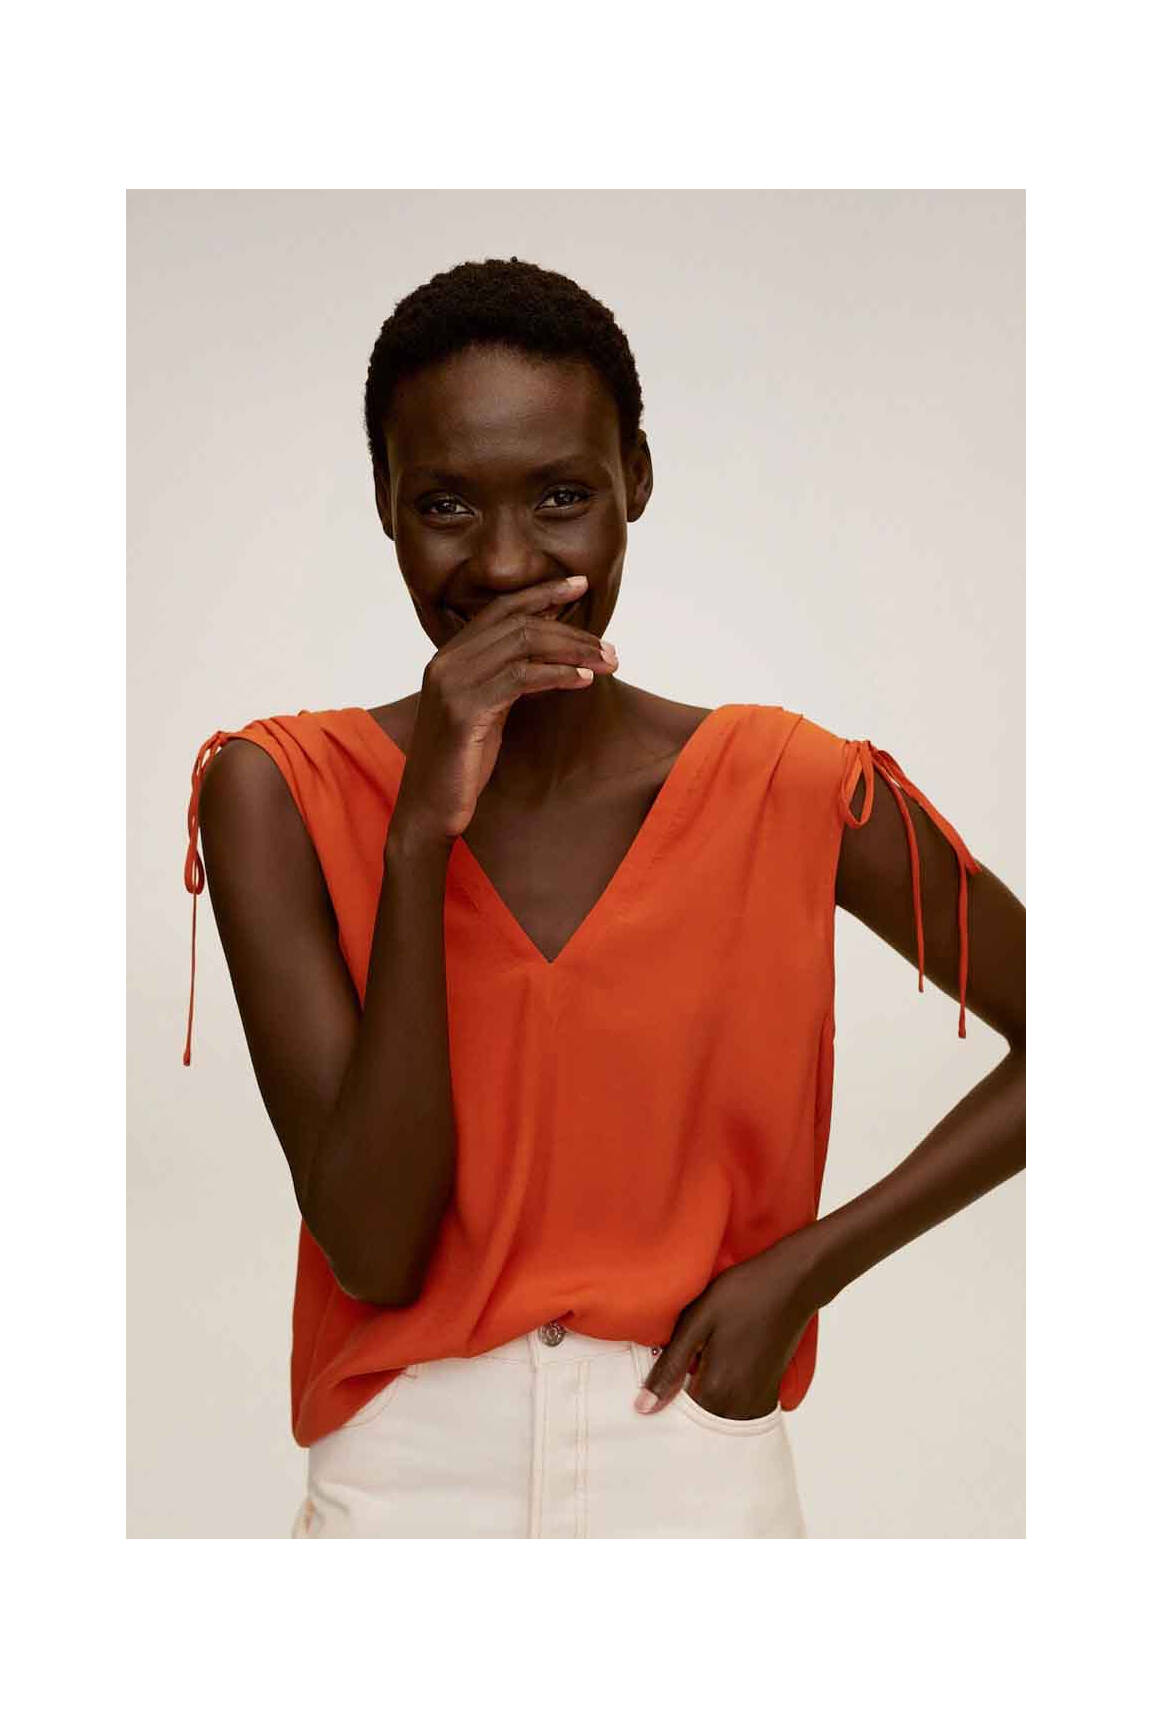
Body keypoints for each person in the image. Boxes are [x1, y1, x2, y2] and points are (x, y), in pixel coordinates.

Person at [181, 256, 1025, 1538]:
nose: (507, 560)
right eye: (446, 503)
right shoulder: (277, 792)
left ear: (636, 478)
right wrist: (420, 839)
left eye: (563, 496)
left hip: (692, 1459)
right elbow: (375, 1247)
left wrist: (806, 1272)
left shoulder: (789, 785)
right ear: (385, 503)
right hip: (401, 1488)